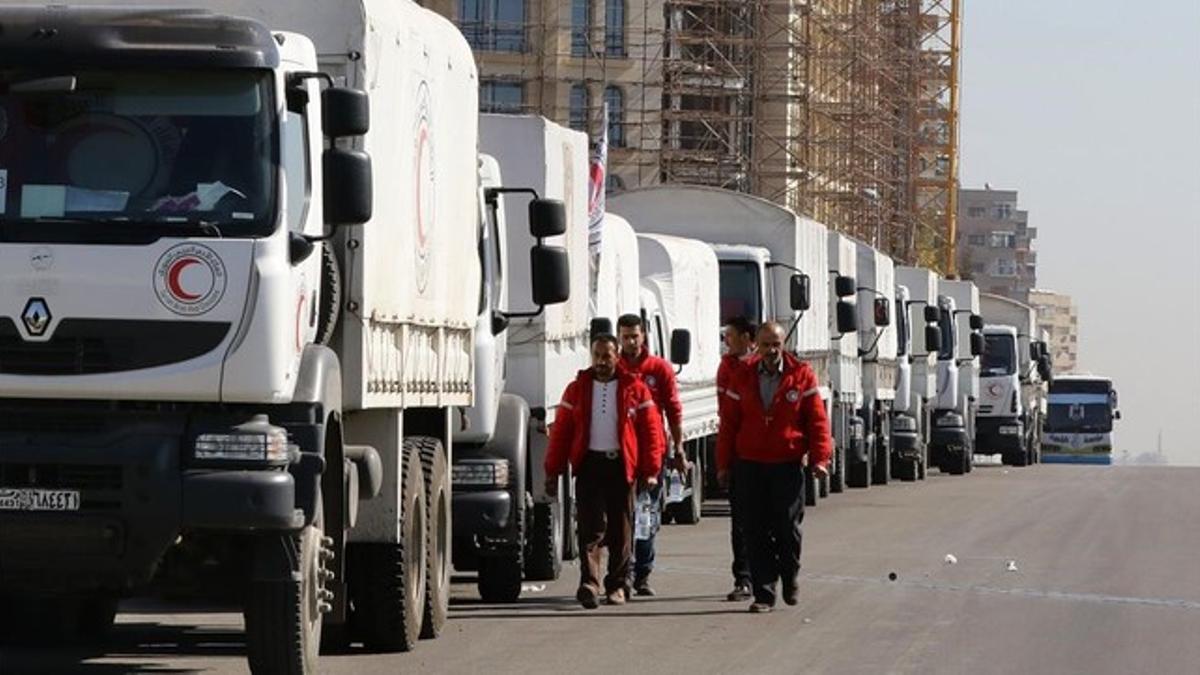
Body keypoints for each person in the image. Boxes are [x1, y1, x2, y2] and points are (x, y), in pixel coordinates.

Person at [716, 322, 832, 613]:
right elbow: (728, 425)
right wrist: (723, 464)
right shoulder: (742, 376)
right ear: (756, 344)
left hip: (786, 465)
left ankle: (789, 575)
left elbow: (817, 422)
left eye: (776, 345)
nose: (770, 351)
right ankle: (764, 593)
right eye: (765, 345)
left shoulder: (801, 376)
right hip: (750, 465)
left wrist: (820, 459)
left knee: (787, 529)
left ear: (784, 345)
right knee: (754, 530)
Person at [545, 334, 665, 609]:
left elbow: (650, 432)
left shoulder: (634, 388)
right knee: (589, 529)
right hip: (589, 465)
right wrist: (553, 470)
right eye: (597, 355)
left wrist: (650, 470)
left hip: (621, 466)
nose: (601, 361)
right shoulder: (577, 389)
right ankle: (590, 584)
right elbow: (562, 431)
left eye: (607, 356)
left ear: (616, 356)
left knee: (621, 530)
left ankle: (618, 585)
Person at [616, 313, 687, 597]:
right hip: (621, 455)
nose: (630, 342)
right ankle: (622, 572)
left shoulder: (659, 369)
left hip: (651, 454)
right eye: (625, 337)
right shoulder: (613, 367)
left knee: (646, 515)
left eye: (635, 336)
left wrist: (678, 448)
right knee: (622, 517)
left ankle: (642, 573)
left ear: (643, 336)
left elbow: (673, 409)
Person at [716, 315, 756, 602]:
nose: (726, 341)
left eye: (730, 335)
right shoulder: (726, 368)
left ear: (746, 338)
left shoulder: (763, 366)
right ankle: (743, 578)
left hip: (771, 456)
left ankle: (766, 572)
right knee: (741, 522)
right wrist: (724, 462)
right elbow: (726, 417)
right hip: (740, 454)